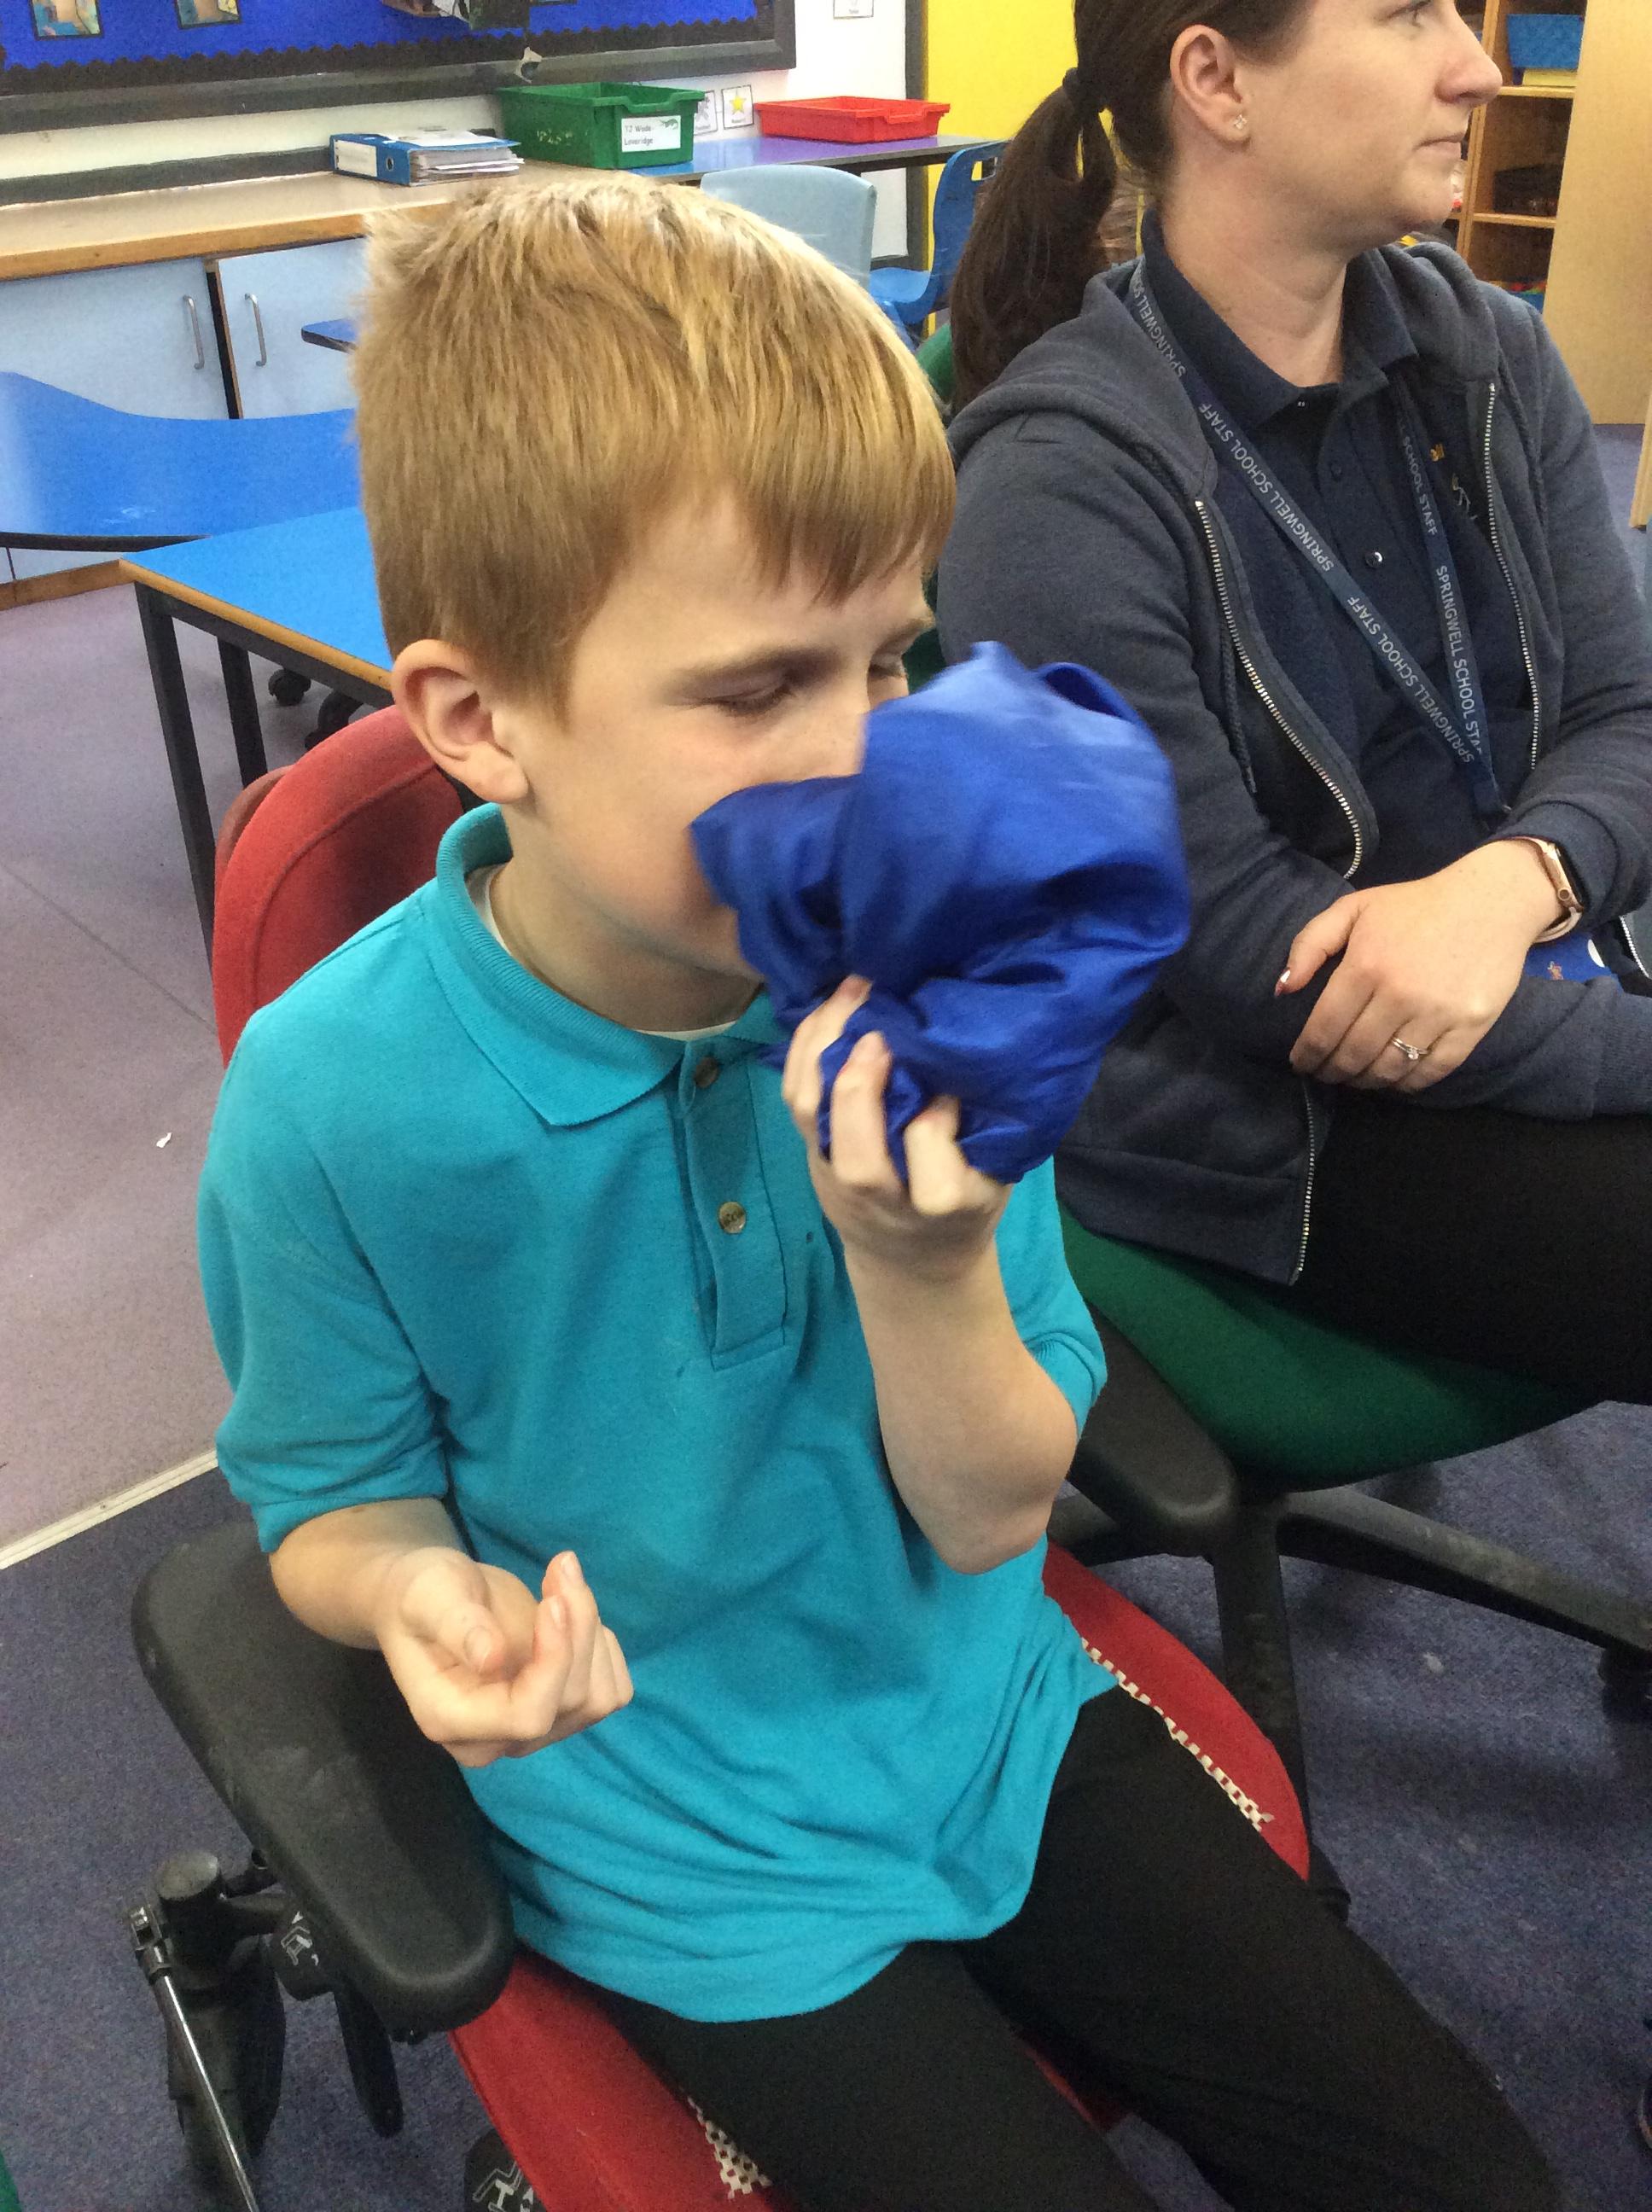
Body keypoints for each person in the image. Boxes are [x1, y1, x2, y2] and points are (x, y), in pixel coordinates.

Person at [197, 177, 1555, 2211]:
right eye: (758, 691)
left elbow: (996, 1506)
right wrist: (412, 1596)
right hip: (677, 1837)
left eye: (892, 660)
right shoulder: (335, 1107)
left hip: (979, 1703)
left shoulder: (932, 966)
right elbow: (331, 1501)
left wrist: (923, 1264)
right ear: (482, 723)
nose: (863, 764)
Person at [942, 0, 1652, 1401]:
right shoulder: (1056, 486)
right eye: (1406, 15)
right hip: (1272, 1110)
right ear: (1217, 81)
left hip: (1520, 981)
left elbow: (1629, 716)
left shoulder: (1491, 357)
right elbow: (1247, 962)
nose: (1477, 67)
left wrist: (1510, 884)